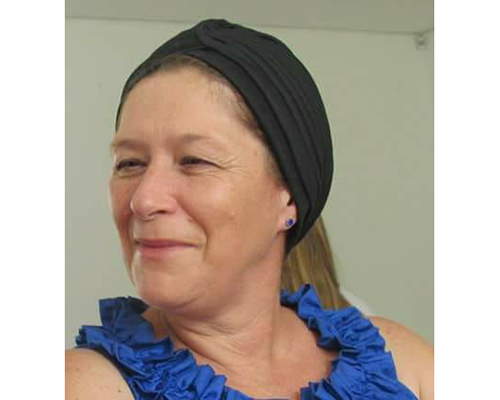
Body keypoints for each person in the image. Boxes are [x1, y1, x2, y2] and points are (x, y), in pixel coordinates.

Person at [66, 19, 433, 400]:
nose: (143, 200)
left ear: (288, 196)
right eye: (129, 163)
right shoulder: (84, 387)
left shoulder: (400, 363)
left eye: (194, 160)